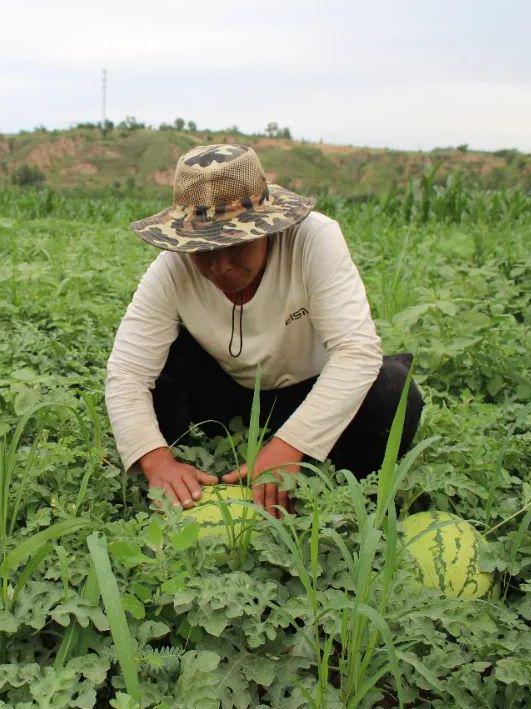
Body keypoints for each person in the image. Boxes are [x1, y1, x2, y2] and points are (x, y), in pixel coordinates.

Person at [105, 144, 422, 518]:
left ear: (268, 228)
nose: (220, 266)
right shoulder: (172, 268)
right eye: (203, 250)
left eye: (236, 244)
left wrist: (290, 445)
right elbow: (128, 372)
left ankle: (334, 496)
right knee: (163, 365)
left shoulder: (313, 240)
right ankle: (185, 475)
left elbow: (357, 353)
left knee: (395, 392)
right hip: (227, 394)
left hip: (309, 390)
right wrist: (156, 460)